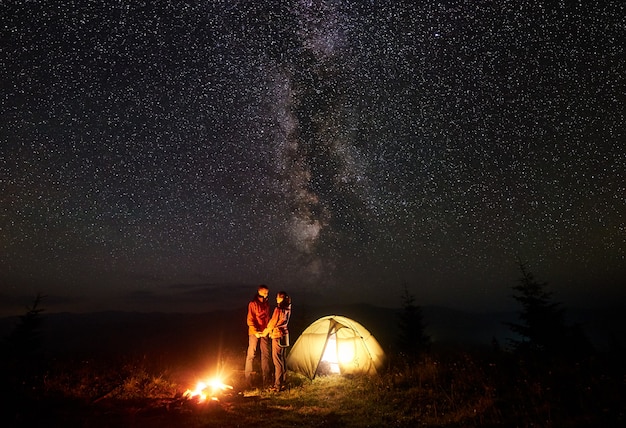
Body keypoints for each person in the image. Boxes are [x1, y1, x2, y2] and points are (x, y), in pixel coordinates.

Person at [263, 291, 291, 392]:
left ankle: (277, 385)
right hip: (285, 335)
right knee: (283, 359)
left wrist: (265, 332)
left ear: (281, 298)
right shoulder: (288, 308)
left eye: (277, 297)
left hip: (278, 335)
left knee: (277, 361)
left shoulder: (278, 309)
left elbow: (272, 322)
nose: (276, 299)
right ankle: (284, 382)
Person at [245, 284, 271, 388]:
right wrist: (255, 331)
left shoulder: (266, 303)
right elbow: (250, 319)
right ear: (259, 291)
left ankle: (266, 380)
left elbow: (267, 317)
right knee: (251, 354)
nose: (266, 294)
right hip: (254, 332)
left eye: (267, 292)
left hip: (264, 331)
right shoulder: (253, 304)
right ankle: (248, 380)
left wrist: (267, 330)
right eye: (264, 292)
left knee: (265, 354)